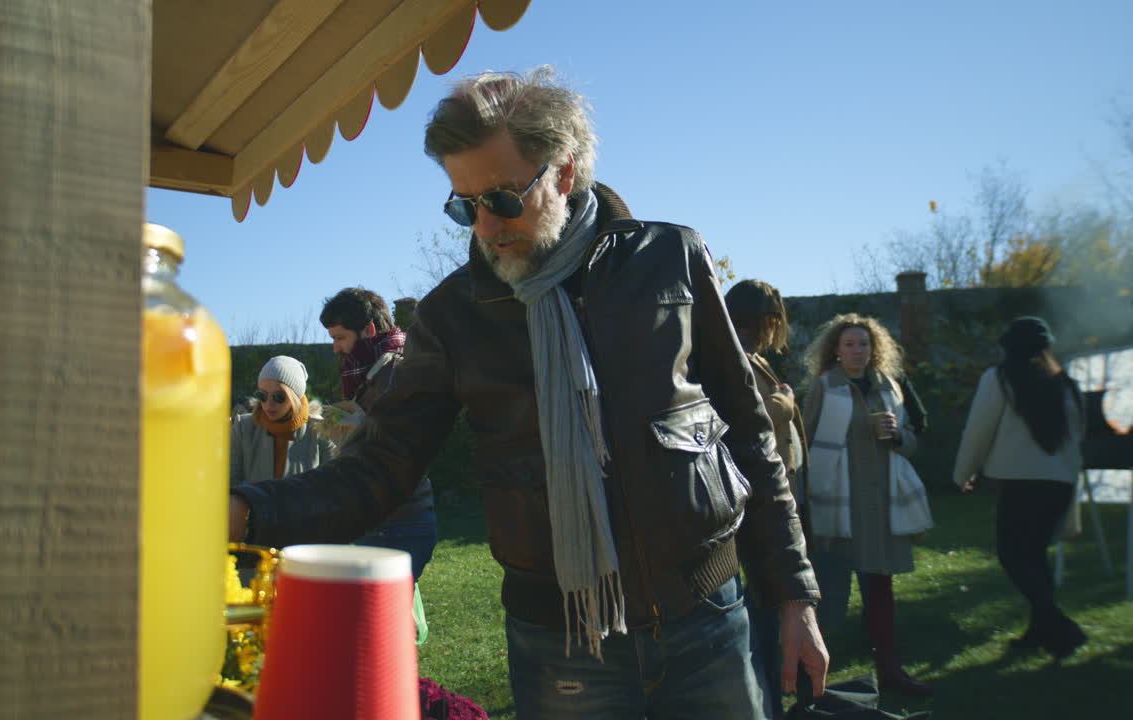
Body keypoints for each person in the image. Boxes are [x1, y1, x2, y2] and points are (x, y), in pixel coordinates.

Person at [229, 67, 827, 719]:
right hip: (560, 646)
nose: (484, 226)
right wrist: (247, 510)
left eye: (504, 199)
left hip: (707, 618)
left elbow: (748, 433)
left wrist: (795, 596)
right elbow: (380, 466)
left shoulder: (672, 259)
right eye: (464, 205)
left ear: (564, 172)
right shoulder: (454, 314)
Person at [801, 314, 932, 697]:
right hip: (837, 505)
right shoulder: (825, 388)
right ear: (836, 351)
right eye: (850, 344)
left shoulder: (889, 386)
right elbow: (805, 443)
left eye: (864, 344)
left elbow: (911, 443)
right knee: (829, 597)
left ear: (875, 349)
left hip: (881, 507)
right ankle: (812, 680)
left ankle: (890, 671)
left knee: (881, 593)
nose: (858, 351)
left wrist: (898, 436)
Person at [952, 316, 1087, 659]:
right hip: (1059, 484)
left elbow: (978, 431)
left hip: (1021, 483)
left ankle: (1060, 627)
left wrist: (962, 473)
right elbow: (1077, 439)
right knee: (1035, 557)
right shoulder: (1065, 384)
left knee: (1013, 555)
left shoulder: (999, 379)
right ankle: (1041, 633)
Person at [725, 278, 809, 718]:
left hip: (775, 495)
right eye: (769, 320)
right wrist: (783, 405)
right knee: (760, 610)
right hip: (752, 504)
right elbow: (735, 420)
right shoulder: (729, 356)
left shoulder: (754, 357)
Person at [320, 287, 438, 581]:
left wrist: (348, 429)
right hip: (380, 516)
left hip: (400, 521)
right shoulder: (371, 371)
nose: (336, 348)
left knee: (378, 619)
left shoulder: (396, 370)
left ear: (368, 330)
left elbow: (396, 447)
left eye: (340, 337)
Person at [229, 355, 335, 489]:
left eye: (279, 397)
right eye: (262, 395)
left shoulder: (321, 431)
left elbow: (331, 487)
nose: (269, 403)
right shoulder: (242, 427)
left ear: (295, 398)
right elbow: (232, 485)